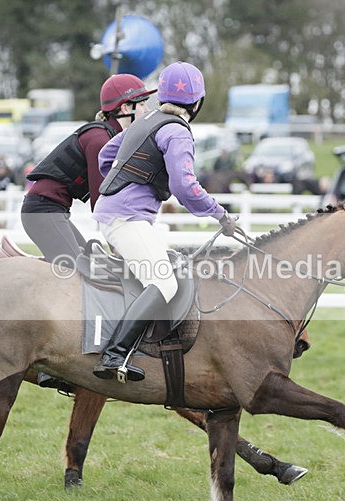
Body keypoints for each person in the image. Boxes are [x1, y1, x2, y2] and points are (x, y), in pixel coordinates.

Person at [91, 61, 237, 382]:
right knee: (164, 282)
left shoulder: (147, 121)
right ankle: (114, 356)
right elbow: (185, 187)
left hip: (114, 212)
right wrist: (221, 215)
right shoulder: (177, 132)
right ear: (197, 102)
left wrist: (130, 181)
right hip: (128, 219)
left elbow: (106, 158)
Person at [21, 73, 156, 269]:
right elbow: (101, 200)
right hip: (43, 211)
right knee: (82, 272)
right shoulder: (101, 140)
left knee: (93, 265)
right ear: (126, 108)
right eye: (142, 103)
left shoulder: (110, 136)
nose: (147, 109)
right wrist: (119, 244)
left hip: (51, 210)